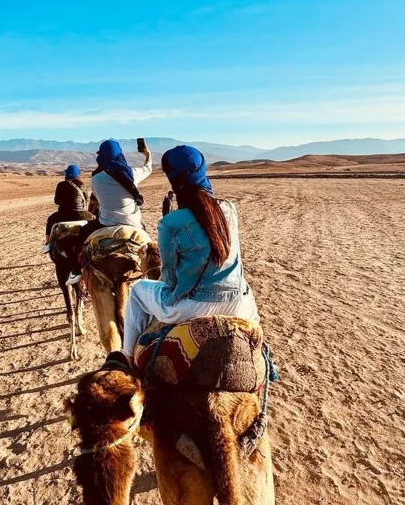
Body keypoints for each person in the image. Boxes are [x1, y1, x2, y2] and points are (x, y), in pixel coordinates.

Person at [122, 144, 258, 360]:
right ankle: (264, 357)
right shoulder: (230, 209)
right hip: (237, 305)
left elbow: (170, 278)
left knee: (138, 290)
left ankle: (126, 359)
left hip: (192, 307)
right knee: (246, 289)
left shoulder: (169, 223)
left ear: (173, 180)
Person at [65, 139, 152, 286]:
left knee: (82, 235)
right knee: (149, 247)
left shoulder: (96, 179)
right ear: (120, 155)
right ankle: (151, 272)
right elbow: (148, 168)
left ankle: (76, 271)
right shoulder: (132, 174)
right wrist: (147, 153)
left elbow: (97, 201)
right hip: (134, 224)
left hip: (105, 223)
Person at [43, 164, 89, 254]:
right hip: (81, 215)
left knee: (50, 220)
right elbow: (86, 200)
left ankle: (47, 244)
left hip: (63, 215)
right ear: (78, 175)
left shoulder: (61, 184)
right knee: (94, 221)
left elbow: (56, 201)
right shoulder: (83, 185)